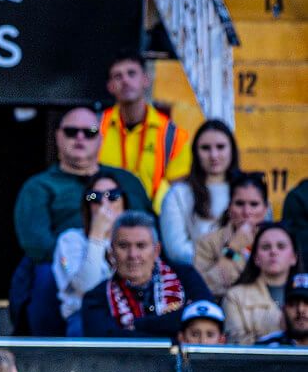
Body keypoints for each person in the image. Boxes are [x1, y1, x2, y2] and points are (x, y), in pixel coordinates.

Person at [12, 107, 150, 264]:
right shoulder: (38, 187)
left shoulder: (126, 180)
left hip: (127, 264)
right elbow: (37, 245)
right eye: (71, 131)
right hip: (61, 267)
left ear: (101, 138)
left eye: (90, 132)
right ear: (58, 136)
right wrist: (82, 260)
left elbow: (148, 229)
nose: (80, 137)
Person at [80, 210, 211, 338]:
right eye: (124, 246)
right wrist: (172, 323)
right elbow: (107, 343)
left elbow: (206, 316)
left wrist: (139, 325)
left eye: (141, 246)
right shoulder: (95, 298)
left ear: (156, 251)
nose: (133, 255)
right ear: (112, 252)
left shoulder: (186, 276)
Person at [96, 52, 190, 212]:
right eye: (118, 76)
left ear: (145, 80)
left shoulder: (173, 135)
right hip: (105, 213)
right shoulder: (95, 127)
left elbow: (178, 191)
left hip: (153, 220)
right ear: (110, 86)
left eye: (131, 73)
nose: (125, 80)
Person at [53, 172, 130, 336]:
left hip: (131, 316)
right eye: (94, 197)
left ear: (124, 203)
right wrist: (97, 235)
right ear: (87, 205)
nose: (104, 202)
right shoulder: (69, 240)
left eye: (113, 195)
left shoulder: (137, 241)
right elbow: (88, 289)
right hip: (84, 318)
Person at [159, 119, 239, 267]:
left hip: (244, 280)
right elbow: (176, 250)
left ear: (232, 150)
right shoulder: (178, 194)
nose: (213, 155)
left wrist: (235, 261)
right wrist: (224, 259)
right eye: (205, 148)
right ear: (195, 152)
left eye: (220, 147)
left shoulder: (248, 192)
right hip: (194, 282)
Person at [194, 172, 270, 299]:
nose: (246, 212)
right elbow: (203, 288)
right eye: (239, 204)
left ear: (265, 209)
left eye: (254, 204)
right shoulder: (207, 242)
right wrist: (232, 249)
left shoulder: (276, 242)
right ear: (229, 207)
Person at [221, 223, 299, 344]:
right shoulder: (235, 296)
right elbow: (235, 346)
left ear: (294, 257)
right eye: (266, 247)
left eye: (281, 246)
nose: (273, 251)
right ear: (256, 258)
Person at [259, 274, 308, 348]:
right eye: (293, 304)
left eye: (307, 303)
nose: (300, 309)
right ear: (283, 309)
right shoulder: (265, 348)